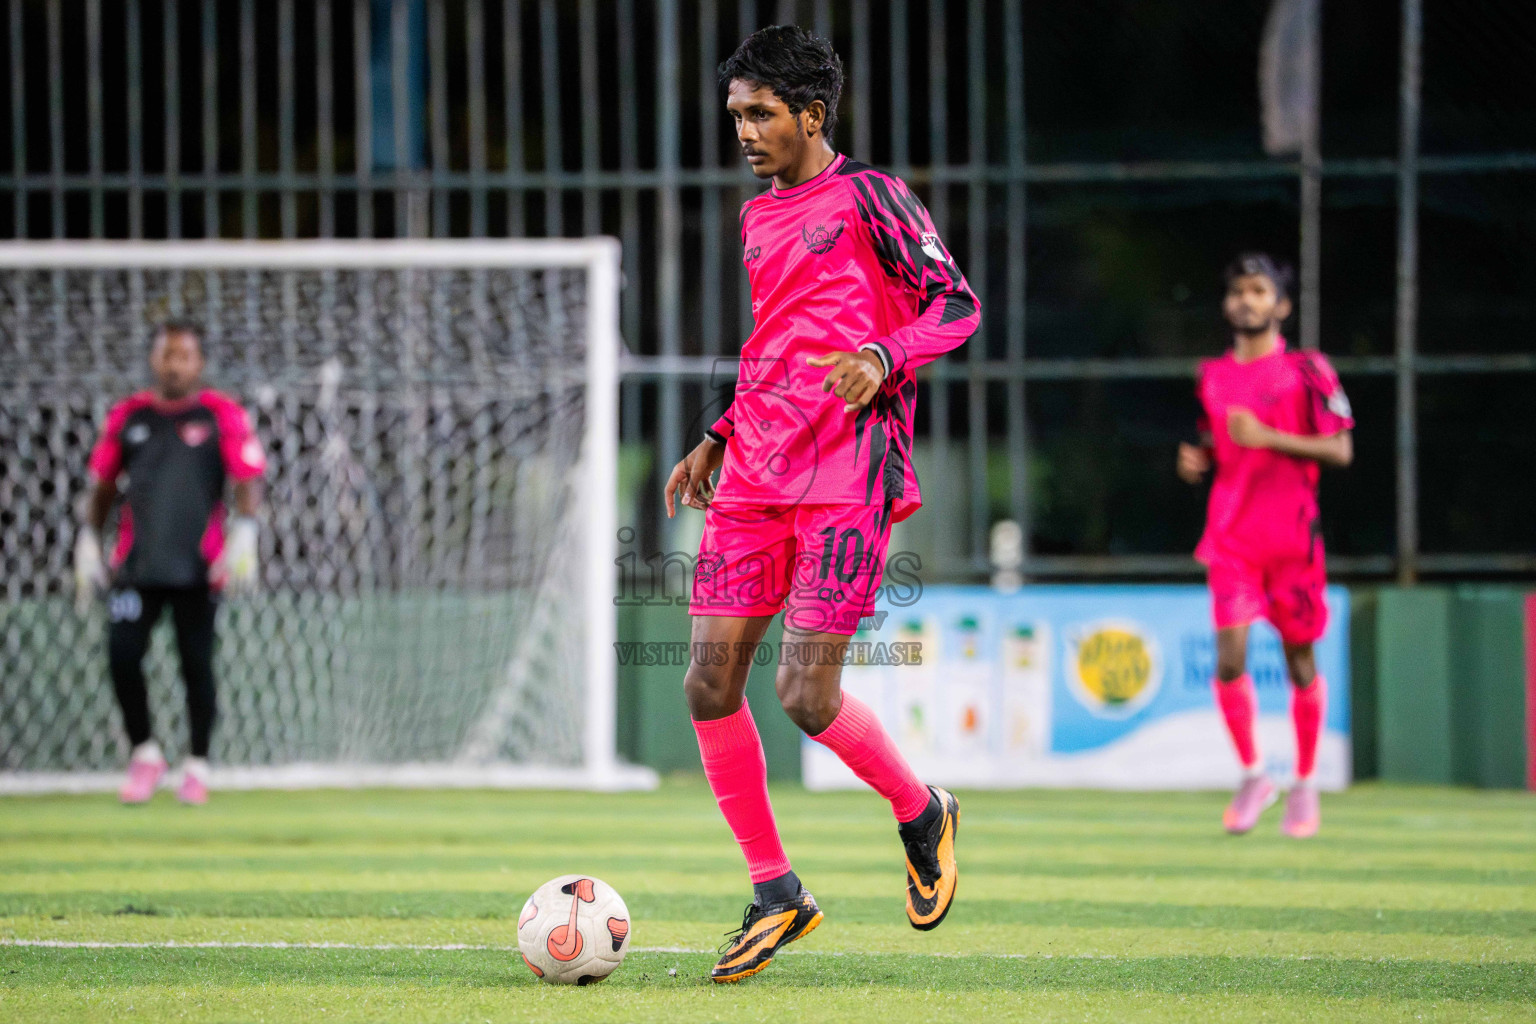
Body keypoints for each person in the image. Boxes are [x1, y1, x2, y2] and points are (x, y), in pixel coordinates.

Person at [664, 26, 979, 982]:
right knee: (707, 685)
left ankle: (922, 810)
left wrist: (885, 355)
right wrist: (720, 430)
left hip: (849, 473)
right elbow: (780, 339)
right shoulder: (760, 217)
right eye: (737, 116)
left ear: (811, 113)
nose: (747, 132)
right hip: (756, 465)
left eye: (762, 114)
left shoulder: (873, 197)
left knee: (805, 695)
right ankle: (775, 893)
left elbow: (956, 304)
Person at [1177, 253, 1354, 839]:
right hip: (1231, 540)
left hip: (1294, 542)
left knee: (1299, 660)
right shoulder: (1212, 375)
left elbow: (1341, 451)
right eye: (1238, 291)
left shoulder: (1309, 370)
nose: (1246, 300)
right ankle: (1254, 775)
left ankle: (1305, 784)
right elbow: (1213, 442)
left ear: (1281, 305)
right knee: (1229, 659)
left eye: (1259, 291)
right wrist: (1196, 460)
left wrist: (1271, 437)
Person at [75, 321, 266, 806]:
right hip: (137, 565)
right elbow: (102, 485)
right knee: (122, 656)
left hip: (200, 566)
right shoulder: (129, 416)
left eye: (184, 355)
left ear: (199, 362)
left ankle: (197, 765)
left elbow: (247, 477)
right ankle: (145, 754)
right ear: (153, 359)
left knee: (196, 665)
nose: (174, 364)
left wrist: (245, 531)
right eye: (166, 354)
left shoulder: (220, 413)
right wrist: (88, 539)